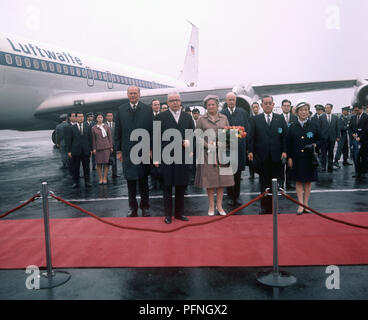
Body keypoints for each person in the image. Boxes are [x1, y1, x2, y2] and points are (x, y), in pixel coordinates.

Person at [153, 92, 194, 224]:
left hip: (182, 156)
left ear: (180, 101)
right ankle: (168, 215)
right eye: (172, 100)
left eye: (177, 100)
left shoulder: (187, 117)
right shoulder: (160, 117)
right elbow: (155, 138)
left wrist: (189, 147)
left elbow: (191, 135)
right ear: (168, 102)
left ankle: (179, 213)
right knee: (167, 186)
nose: (175, 102)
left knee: (181, 186)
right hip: (166, 156)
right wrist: (156, 157)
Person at [115, 86, 153, 217]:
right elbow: (117, 132)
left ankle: (145, 207)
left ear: (139, 94)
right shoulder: (121, 110)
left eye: (135, 93)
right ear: (127, 94)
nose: (132, 95)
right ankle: (132, 207)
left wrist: (152, 149)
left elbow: (152, 131)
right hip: (128, 150)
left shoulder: (147, 110)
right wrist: (118, 150)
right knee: (130, 181)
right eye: (130, 93)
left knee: (143, 180)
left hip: (143, 150)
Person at [248, 95, 287, 214]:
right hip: (262, 156)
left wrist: (285, 151)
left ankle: (274, 207)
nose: (268, 105)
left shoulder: (280, 118)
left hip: (276, 156)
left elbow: (285, 137)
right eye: (265, 103)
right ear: (261, 105)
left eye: (270, 103)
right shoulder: (255, 119)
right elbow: (251, 137)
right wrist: (250, 151)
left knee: (275, 184)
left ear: (273, 104)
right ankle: (264, 207)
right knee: (264, 183)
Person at [195, 95, 234, 216]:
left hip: (222, 153)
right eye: (209, 105)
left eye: (213, 104)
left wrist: (225, 142)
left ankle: (220, 206)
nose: (211, 106)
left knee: (222, 181)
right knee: (210, 181)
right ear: (206, 106)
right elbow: (197, 135)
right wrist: (208, 145)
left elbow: (229, 132)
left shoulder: (224, 117)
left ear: (217, 105)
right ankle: (211, 206)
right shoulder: (201, 119)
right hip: (208, 154)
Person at [287, 102, 324, 214]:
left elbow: (322, 139)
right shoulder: (292, 126)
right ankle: (300, 205)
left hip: (309, 158)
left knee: (308, 182)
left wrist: (314, 145)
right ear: (297, 112)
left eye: (306, 110)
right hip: (297, 158)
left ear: (309, 112)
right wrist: (289, 157)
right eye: (301, 110)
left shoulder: (314, 125)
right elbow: (288, 143)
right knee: (298, 182)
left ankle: (306, 204)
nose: (304, 112)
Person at [221, 92, 249, 207]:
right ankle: (230, 196)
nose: (231, 102)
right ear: (226, 101)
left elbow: (247, 129)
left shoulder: (243, 113)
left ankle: (236, 197)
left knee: (237, 174)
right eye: (229, 100)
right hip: (227, 148)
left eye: (233, 100)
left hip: (239, 147)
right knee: (228, 173)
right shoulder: (222, 113)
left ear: (235, 101)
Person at [65, 112, 93, 188]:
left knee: (86, 167)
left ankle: (87, 181)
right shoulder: (71, 128)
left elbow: (90, 139)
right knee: (75, 168)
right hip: (75, 151)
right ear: (76, 118)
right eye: (79, 116)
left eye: (82, 116)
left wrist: (91, 149)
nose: (80, 118)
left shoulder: (88, 127)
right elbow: (69, 140)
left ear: (83, 117)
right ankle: (75, 182)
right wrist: (69, 151)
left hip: (85, 151)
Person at [280, 99, 298, 189]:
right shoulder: (278, 118)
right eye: (285, 105)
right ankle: (280, 182)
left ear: (290, 107)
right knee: (280, 165)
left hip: (291, 145)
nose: (286, 107)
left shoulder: (295, 118)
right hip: (280, 145)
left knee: (290, 164)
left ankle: (289, 182)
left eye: (288, 106)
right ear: (282, 107)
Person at [92, 113, 113, 185]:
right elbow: (93, 139)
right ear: (96, 119)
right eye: (98, 117)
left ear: (103, 118)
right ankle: (100, 178)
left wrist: (111, 147)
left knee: (106, 163)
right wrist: (94, 148)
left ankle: (105, 178)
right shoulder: (94, 128)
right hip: (98, 148)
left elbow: (110, 138)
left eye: (101, 117)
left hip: (107, 147)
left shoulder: (106, 127)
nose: (100, 118)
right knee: (99, 164)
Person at [349, 103, 368, 179]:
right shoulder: (353, 117)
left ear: (361, 109)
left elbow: (367, 130)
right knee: (355, 157)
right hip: (355, 141)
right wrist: (353, 134)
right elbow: (350, 128)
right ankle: (357, 172)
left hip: (364, 141)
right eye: (354, 110)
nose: (355, 112)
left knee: (364, 157)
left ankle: (364, 172)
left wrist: (360, 137)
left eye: (357, 110)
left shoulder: (366, 117)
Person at [320, 103, 341, 172]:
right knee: (323, 152)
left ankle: (330, 165)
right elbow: (319, 128)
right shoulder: (321, 117)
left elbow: (337, 128)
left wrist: (338, 136)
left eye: (328, 108)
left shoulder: (335, 117)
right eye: (325, 108)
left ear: (331, 108)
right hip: (324, 138)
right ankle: (323, 166)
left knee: (331, 152)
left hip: (332, 138)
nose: (326, 109)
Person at [105, 111, 120, 178]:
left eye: (111, 115)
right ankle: (106, 174)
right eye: (108, 116)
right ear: (106, 117)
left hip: (114, 145)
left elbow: (117, 135)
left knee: (114, 160)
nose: (110, 117)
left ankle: (114, 173)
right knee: (106, 160)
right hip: (106, 146)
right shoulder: (103, 125)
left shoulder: (115, 124)